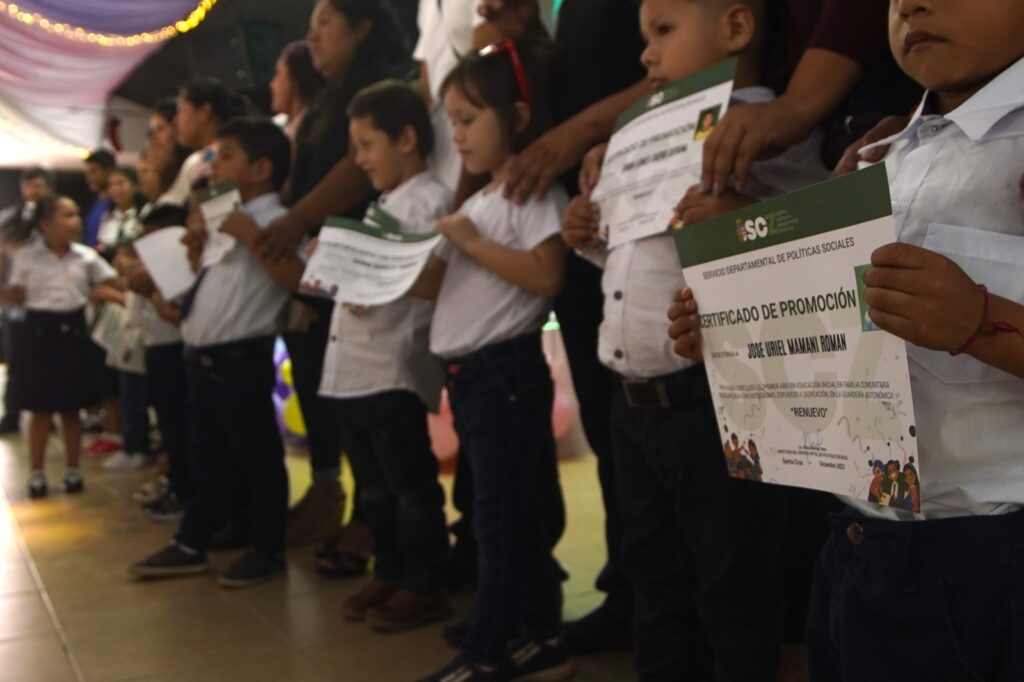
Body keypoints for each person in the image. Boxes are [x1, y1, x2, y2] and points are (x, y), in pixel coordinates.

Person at [670, 1, 1024, 679]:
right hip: (860, 547)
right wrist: (735, 330)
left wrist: (982, 322)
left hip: (995, 560)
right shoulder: (879, 155)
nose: (912, 6)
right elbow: (841, 332)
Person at [564, 0, 831, 678]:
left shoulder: (768, 124)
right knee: (652, 579)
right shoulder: (643, 134)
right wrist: (592, 235)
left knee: (732, 587)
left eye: (663, 32)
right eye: (644, 37)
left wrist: (739, 214)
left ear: (736, 29)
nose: (646, 55)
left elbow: (814, 241)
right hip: (634, 403)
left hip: (714, 401)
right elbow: (639, 255)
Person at [416, 38, 571, 682]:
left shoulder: (528, 194)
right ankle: (539, 636)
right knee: (517, 515)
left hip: (505, 371)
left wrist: (471, 241)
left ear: (518, 117)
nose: (458, 134)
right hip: (476, 380)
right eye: (451, 121)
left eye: (470, 118)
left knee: (498, 523)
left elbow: (546, 276)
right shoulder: (477, 202)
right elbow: (433, 286)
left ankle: (488, 650)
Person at [246, 0, 413, 555]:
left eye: (325, 24)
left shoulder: (379, 89)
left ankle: (383, 529)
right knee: (336, 400)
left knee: (373, 411)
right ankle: (366, 518)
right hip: (319, 261)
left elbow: (351, 172)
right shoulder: (327, 99)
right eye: (311, 25)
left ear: (362, 28)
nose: (312, 36)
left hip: (359, 266)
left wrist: (295, 219)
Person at [129, 117, 297, 588]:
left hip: (240, 357)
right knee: (207, 456)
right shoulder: (225, 213)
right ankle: (196, 540)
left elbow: (297, 280)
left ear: (261, 167)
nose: (212, 165)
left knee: (257, 456)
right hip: (201, 355)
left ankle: (267, 549)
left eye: (225, 157)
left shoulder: (276, 220)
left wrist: (246, 233)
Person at [314, 80, 453, 632]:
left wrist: (364, 270)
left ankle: (425, 582)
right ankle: (388, 570)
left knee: (409, 487)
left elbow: (425, 277)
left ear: (407, 138)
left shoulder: (431, 201)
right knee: (373, 488)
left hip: (392, 366)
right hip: (352, 369)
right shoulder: (382, 206)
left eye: (367, 144)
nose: (359, 159)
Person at [0, 196, 116, 498]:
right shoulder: (28, 257)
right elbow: (19, 295)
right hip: (39, 332)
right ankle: (36, 473)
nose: (76, 221)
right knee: (39, 410)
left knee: (71, 408)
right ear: (45, 224)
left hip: (74, 331)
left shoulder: (86, 257)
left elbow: (113, 280)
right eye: (67, 215)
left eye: (76, 214)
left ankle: (73, 469)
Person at [124, 204, 192, 522]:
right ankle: (177, 485)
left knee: (180, 426)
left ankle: (185, 493)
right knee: (169, 425)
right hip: (156, 344)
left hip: (174, 346)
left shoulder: (180, 259)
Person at [0, 167, 54, 435]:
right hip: (15, 302)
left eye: (39, 186)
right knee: (15, 362)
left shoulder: (57, 218)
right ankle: (11, 415)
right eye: (29, 186)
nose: (33, 191)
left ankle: (49, 416)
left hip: (50, 301)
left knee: (48, 364)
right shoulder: (9, 219)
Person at [270, 40, 325, 144]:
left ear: (294, 81)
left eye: (278, 74)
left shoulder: (315, 135)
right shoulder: (275, 130)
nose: (272, 85)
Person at [82, 149, 115, 248]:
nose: (89, 178)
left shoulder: (118, 205)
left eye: (93, 171)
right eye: (87, 173)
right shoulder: (93, 205)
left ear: (109, 171)